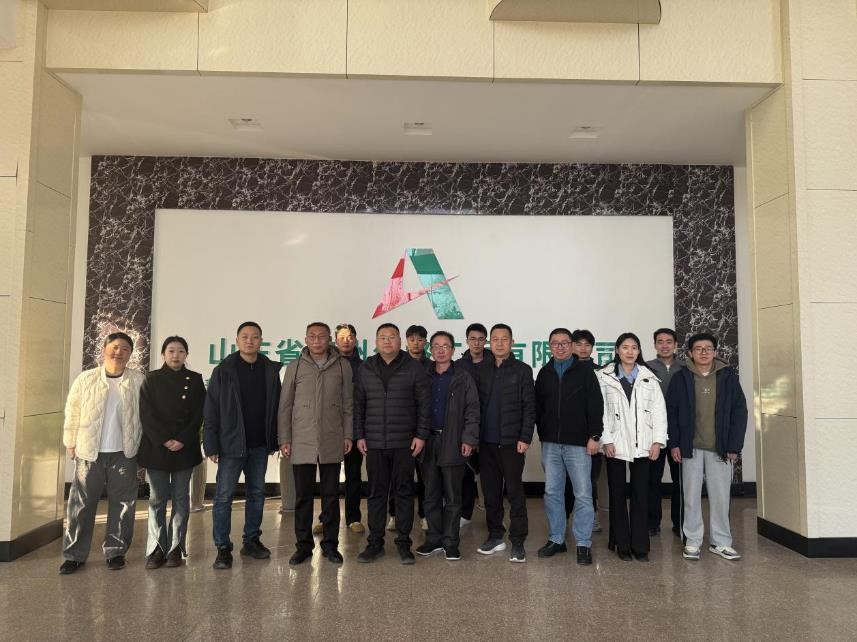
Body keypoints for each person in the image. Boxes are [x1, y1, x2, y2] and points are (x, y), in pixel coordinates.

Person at [59, 332, 145, 575]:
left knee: (123, 505)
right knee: (81, 505)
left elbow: (145, 416)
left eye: (125, 348)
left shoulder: (138, 380)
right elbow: (72, 411)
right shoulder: (86, 379)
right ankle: (74, 555)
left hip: (124, 453)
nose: (119, 352)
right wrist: (70, 441)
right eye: (115, 347)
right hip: (89, 452)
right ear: (104, 349)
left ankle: (115, 552)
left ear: (131, 354)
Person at [203, 321, 282, 570]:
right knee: (223, 497)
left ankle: (251, 541)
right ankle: (222, 548)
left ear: (261, 341)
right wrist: (210, 444)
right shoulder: (223, 370)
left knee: (256, 494)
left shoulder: (270, 370)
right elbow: (211, 408)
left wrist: (275, 440)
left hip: (259, 445)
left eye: (255, 337)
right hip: (230, 445)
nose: (250, 341)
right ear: (237, 341)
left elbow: (278, 408)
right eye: (245, 336)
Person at [354, 323, 431, 565]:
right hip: (375, 442)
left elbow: (424, 405)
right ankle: (375, 543)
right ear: (376, 341)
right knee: (376, 494)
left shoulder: (413, 367)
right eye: (382, 337)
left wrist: (421, 435)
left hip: (404, 443)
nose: (387, 341)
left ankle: (404, 544)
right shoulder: (366, 368)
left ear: (400, 341)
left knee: (404, 493)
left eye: (392, 337)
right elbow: (358, 405)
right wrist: (359, 435)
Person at [668, 332, 747, 562]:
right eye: (698, 349)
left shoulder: (727, 376)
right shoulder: (681, 377)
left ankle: (721, 542)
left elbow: (740, 412)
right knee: (690, 497)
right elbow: (671, 412)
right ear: (690, 353)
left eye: (708, 348)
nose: (703, 352)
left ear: (715, 351)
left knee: (721, 497)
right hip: (689, 448)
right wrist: (674, 443)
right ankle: (692, 541)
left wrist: (734, 446)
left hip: (720, 448)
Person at [278, 322, 353, 566]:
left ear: (329, 339)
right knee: (303, 497)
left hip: (332, 438)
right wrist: (285, 438)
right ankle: (303, 547)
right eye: (312, 336)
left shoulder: (342, 365)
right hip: (302, 440)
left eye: (321, 336)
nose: (317, 341)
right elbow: (285, 406)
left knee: (331, 496)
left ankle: (330, 546)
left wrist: (348, 435)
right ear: (306, 339)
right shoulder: (295, 366)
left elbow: (348, 404)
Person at [534, 328, 603, 565]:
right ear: (549, 346)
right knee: (552, 492)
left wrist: (595, 436)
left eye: (565, 343)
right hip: (551, 444)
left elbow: (596, 404)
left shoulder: (585, 371)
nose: (560, 347)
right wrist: (544, 434)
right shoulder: (544, 373)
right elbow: (538, 407)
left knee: (582, 494)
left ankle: (583, 543)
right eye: (555, 343)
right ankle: (556, 539)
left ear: (572, 345)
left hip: (579, 444)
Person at [598, 332, 667, 562]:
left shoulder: (649, 377)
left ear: (639, 351)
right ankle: (621, 543)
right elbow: (600, 411)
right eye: (625, 347)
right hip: (615, 444)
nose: (630, 351)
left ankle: (640, 546)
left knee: (641, 494)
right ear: (617, 350)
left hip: (643, 444)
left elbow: (659, 412)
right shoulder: (604, 376)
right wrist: (606, 440)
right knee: (617, 494)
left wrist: (657, 441)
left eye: (634, 347)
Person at [138, 336, 205, 569]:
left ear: (186, 354)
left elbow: (199, 414)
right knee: (157, 500)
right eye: (171, 351)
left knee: (180, 500)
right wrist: (165, 439)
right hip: (157, 448)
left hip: (184, 449)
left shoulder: (195, 380)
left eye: (180, 351)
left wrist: (182, 439)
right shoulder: (151, 379)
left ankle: (176, 547)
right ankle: (157, 548)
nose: (176, 355)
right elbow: (146, 414)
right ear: (163, 354)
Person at [416, 331, 480, 561]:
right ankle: (433, 538)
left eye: (446, 346)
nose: (441, 350)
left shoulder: (463, 377)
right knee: (431, 494)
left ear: (453, 350)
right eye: (436, 346)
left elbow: (473, 410)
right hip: (427, 441)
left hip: (453, 440)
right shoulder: (423, 375)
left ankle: (451, 542)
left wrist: (469, 439)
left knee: (453, 496)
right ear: (430, 350)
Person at [475, 323, 535, 563]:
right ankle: (495, 536)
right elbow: (475, 406)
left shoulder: (522, 370)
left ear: (512, 342)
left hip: (511, 443)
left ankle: (518, 540)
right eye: (495, 339)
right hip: (486, 443)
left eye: (504, 339)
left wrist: (525, 437)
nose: (499, 343)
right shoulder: (482, 370)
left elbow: (529, 407)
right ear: (490, 343)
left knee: (515, 493)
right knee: (490, 494)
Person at [311, 323, 365, 534]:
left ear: (355, 340)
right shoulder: (326, 364)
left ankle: (353, 518)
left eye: (350, 337)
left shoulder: (364, 367)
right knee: (328, 477)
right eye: (341, 337)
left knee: (353, 475)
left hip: (354, 427)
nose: (346, 340)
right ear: (335, 340)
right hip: (329, 427)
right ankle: (326, 519)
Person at [646, 328, 686, 537]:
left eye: (668, 341)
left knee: (681, 481)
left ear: (676, 344)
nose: (664, 345)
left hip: (679, 432)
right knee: (653, 480)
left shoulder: (686, 368)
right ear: (655, 345)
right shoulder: (645, 368)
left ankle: (680, 523)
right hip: (653, 433)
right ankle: (652, 523)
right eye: (660, 341)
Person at [391, 324, 429, 532]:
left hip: (423, 429)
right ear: (406, 342)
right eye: (412, 339)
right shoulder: (398, 363)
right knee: (397, 477)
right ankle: (393, 514)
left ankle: (424, 514)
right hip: (400, 429)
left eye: (420, 339)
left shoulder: (431, 366)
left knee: (425, 477)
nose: (416, 343)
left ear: (425, 343)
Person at [567, 328, 603, 532]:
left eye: (587, 345)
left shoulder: (601, 372)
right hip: (568, 435)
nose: (583, 348)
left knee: (589, 480)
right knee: (566, 481)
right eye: (578, 344)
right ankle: (567, 515)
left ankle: (592, 517)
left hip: (592, 436)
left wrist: (596, 435)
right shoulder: (562, 368)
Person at [457, 322, 491, 526]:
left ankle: (493, 517)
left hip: (489, 427)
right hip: (467, 426)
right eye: (473, 339)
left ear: (485, 341)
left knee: (491, 475)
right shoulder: (459, 366)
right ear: (467, 340)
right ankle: (465, 514)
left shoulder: (495, 363)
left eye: (480, 339)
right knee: (466, 473)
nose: (476, 343)